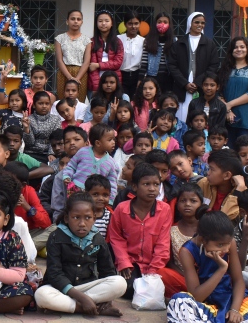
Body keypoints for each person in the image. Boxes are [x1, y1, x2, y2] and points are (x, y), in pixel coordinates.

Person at [166, 211, 248, 323]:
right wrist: (221, 269)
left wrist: (234, 310)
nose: (226, 249)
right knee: (178, 302)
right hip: (206, 306)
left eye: (228, 244)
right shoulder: (187, 251)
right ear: (203, 240)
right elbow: (197, 296)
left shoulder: (230, 243)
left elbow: (238, 281)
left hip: (234, 300)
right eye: (220, 245)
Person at [37, 192, 125, 316]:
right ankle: (89, 308)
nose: (82, 223)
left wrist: (107, 300)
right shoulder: (56, 237)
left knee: (120, 283)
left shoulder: (97, 239)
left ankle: (69, 305)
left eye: (87, 218)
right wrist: (83, 299)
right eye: (76, 217)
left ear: (94, 218)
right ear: (67, 218)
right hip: (60, 288)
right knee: (41, 295)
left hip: (87, 288)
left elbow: (108, 271)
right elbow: (54, 274)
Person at [109, 164, 179, 299]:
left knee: (159, 285)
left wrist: (152, 272)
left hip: (154, 265)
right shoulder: (122, 209)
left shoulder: (164, 210)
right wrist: (124, 263)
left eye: (156, 184)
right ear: (134, 186)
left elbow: (163, 244)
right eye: (146, 184)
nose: (152, 189)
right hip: (130, 263)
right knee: (127, 288)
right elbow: (116, 239)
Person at [169, 12, 221, 122]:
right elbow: (172, 65)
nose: (200, 25)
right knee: (180, 116)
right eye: (196, 22)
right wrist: (185, 83)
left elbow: (213, 65)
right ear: (190, 23)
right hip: (181, 87)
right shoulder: (179, 44)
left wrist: (198, 82)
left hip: (200, 88)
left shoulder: (210, 44)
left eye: (202, 23)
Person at [61, 124, 120, 204]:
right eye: (110, 140)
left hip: (96, 195)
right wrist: (67, 176)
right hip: (76, 190)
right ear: (98, 143)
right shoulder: (83, 152)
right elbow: (71, 166)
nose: (113, 142)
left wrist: (110, 200)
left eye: (114, 139)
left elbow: (112, 184)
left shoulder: (111, 163)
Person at [218, 37, 248, 141]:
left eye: (242, 47)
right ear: (231, 50)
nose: (239, 49)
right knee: (227, 149)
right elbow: (218, 92)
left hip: (246, 119)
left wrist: (230, 104)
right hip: (225, 118)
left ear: (247, 49)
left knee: (244, 148)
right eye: (235, 47)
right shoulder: (224, 70)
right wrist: (227, 110)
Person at [54, 9, 92, 99]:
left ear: (82, 22)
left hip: (81, 73)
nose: (75, 21)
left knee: (79, 101)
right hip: (64, 72)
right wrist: (69, 77)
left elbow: (86, 62)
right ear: (67, 21)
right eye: (72, 19)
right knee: (63, 100)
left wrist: (77, 78)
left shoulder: (87, 40)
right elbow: (59, 60)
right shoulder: (60, 38)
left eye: (78, 19)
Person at [87, 10, 125, 97]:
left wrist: (98, 65)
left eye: (107, 21)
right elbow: (92, 67)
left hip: (113, 82)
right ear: (96, 24)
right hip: (95, 82)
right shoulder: (91, 42)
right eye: (100, 21)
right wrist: (96, 88)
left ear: (112, 23)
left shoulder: (117, 42)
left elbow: (117, 63)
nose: (103, 23)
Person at [139, 12, 175, 93]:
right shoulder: (148, 40)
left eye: (165, 22)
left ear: (169, 24)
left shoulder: (174, 41)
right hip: (152, 78)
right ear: (155, 24)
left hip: (169, 78)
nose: (162, 24)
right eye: (159, 22)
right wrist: (140, 79)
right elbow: (144, 62)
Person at [117, 11, 145, 95]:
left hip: (137, 76)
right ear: (125, 24)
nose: (133, 26)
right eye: (130, 24)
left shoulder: (143, 41)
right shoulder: (118, 39)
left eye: (136, 23)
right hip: (120, 75)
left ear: (140, 24)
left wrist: (141, 79)